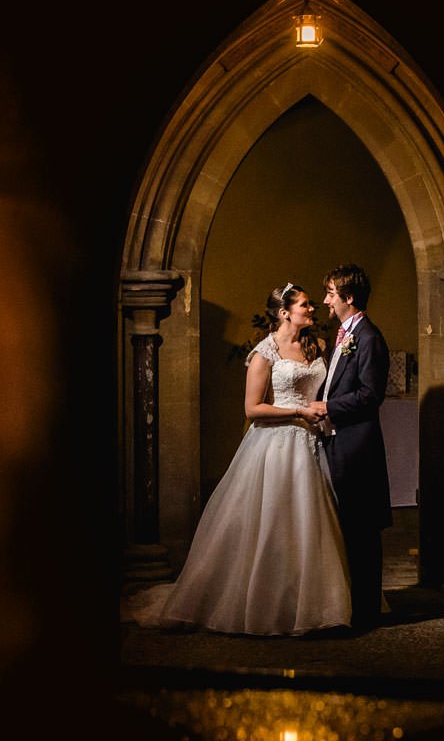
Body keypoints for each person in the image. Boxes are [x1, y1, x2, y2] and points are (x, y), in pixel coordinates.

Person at [150, 284, 351, 635]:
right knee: (273, 522)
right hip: (276, 446)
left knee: (309, 525)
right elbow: (253, 408)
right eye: (305, 305)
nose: (312, 309)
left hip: (312, 444)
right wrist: (298, 412)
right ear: (285, 312)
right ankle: (265, 605)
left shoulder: (317, 346)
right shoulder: (264, 353)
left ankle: (316, 606)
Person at [305, 263, 390, 631]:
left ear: (348, 297)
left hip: (358, 446)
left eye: (330, 293)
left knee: (362, 529)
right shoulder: (343, 334)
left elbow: (372, 395)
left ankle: (367, 611)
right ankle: (352, 605)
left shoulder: (369, 337)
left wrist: (328, 407)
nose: (325, 300)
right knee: (349, 528)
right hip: (339, 441)